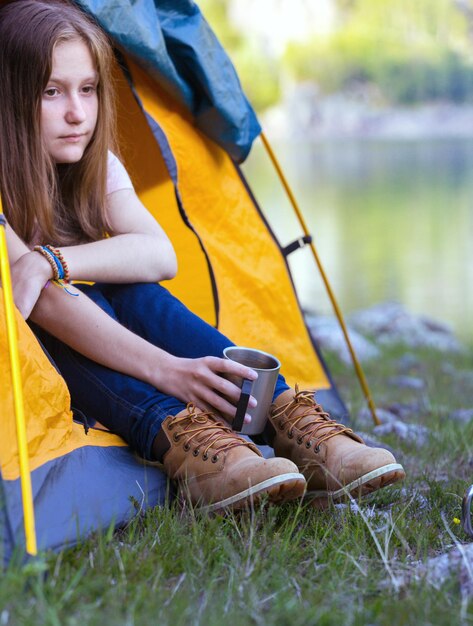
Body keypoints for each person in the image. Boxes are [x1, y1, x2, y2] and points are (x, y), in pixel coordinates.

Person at [0, 0, 405, 512]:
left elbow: (158, 254)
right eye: (51, 92)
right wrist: (170, 370)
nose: (78, 113)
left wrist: (52, 261)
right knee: (63, 308)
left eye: (88, 89)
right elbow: (46, 308)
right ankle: (187, 446)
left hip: (88, 322)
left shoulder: (94, 163)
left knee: (131, 287)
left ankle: (281, 415)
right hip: (37, 353)